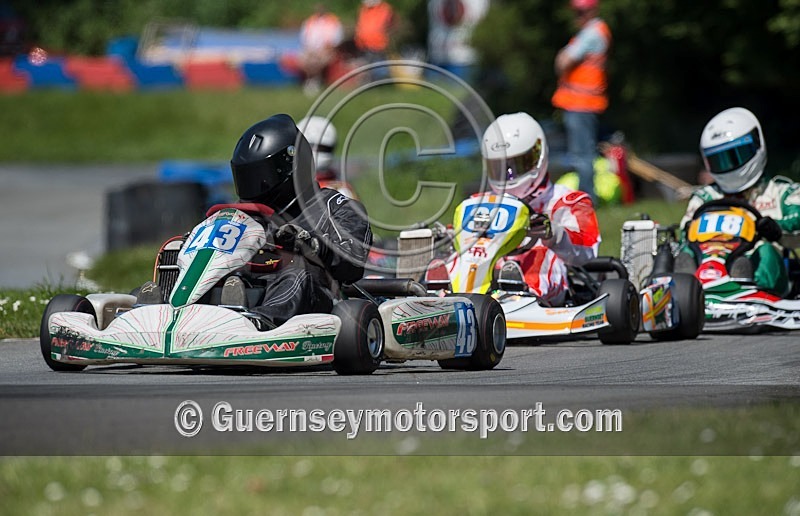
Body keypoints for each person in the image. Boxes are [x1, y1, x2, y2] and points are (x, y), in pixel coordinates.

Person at [225, 114, 373, 329]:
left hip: (316, 297)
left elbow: (352, 264)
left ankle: (258, 322)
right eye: (249, 178)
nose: (255, 187)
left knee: (297, 270)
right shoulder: (244, 213)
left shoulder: (336, 206)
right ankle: (181, 312)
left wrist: (314, 246)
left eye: (261, 178)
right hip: (250, 282)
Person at [677, 107, 800, 296]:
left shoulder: (781, 192)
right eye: (721, 159)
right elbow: (687, 229)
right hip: (708, 264)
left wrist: (776, 228)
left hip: (761, 267)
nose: (729, 166)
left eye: (736, 156)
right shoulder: (706, 197)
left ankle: (747, 289)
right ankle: (682, 291)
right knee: (686, 252)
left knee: (764, 250)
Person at [482, 112, 601, 305]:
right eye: (500, 167)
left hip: (547, 281)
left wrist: (554, 233)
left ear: (538, 155)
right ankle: (444, 293)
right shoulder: (485, 203)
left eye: (518, 165)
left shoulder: (568, 200)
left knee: (540, 252)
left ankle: (521, 293)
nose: (509, 175)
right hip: (489, 282)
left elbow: (588, 248)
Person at [551, 0, 611, 204]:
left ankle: (587, 200)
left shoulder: (592, 33)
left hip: (582, 103)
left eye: (582, 11)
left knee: (582, 155)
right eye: (576, 11)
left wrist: (561, 57)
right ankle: (586, 198)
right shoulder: (590, 32)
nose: (578, 16)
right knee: (582, 153)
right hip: (579, 103)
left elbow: (563, 61)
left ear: (593, 9)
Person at [297, 4, 344, 94]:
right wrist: (310, 50)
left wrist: (327, 47)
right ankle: (311, 80)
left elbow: (337, 40)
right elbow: (304, 40)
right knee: (305, 59)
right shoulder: (309, 22)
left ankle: (315, 81)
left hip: (327, 50)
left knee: (317, 60)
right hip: (311, 50)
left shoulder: (333, 22)